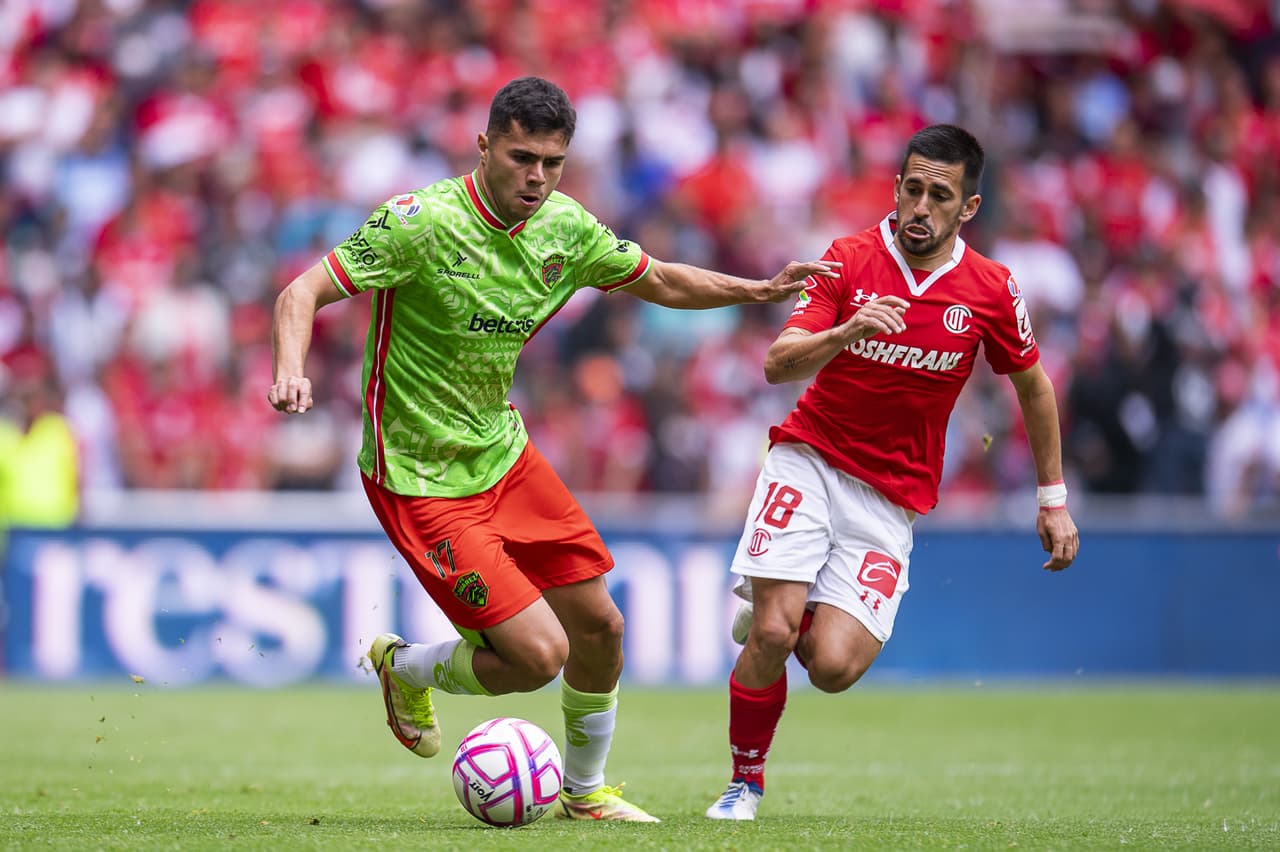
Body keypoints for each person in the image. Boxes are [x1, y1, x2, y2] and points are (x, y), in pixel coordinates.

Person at [268, 76, 837, 823]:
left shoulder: (566, 230)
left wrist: (759, 291)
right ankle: (402, 666)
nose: (536, 177)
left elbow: (661, 279)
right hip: (418, 476)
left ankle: (585, 792)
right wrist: (290, 369)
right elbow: (299, 293)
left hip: (503, 455)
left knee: (601, 626)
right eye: (521, 157)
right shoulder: (418, 223)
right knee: (538, 657)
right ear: (485, 146)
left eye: (552, 162)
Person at [704, 124, 1080, 821]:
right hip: (809, 459)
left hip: (890, 499)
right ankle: (743, 784)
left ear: (967, 207)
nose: (920, 207)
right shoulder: (848, 259)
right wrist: (846, 332)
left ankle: (786, 604)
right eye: (912, 189)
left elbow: (1032, 386)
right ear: (896, 188)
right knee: (775, 633)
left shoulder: (992, 290)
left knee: (834, 669)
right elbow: (776, 363)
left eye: (940, 195)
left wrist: (1052, 498)